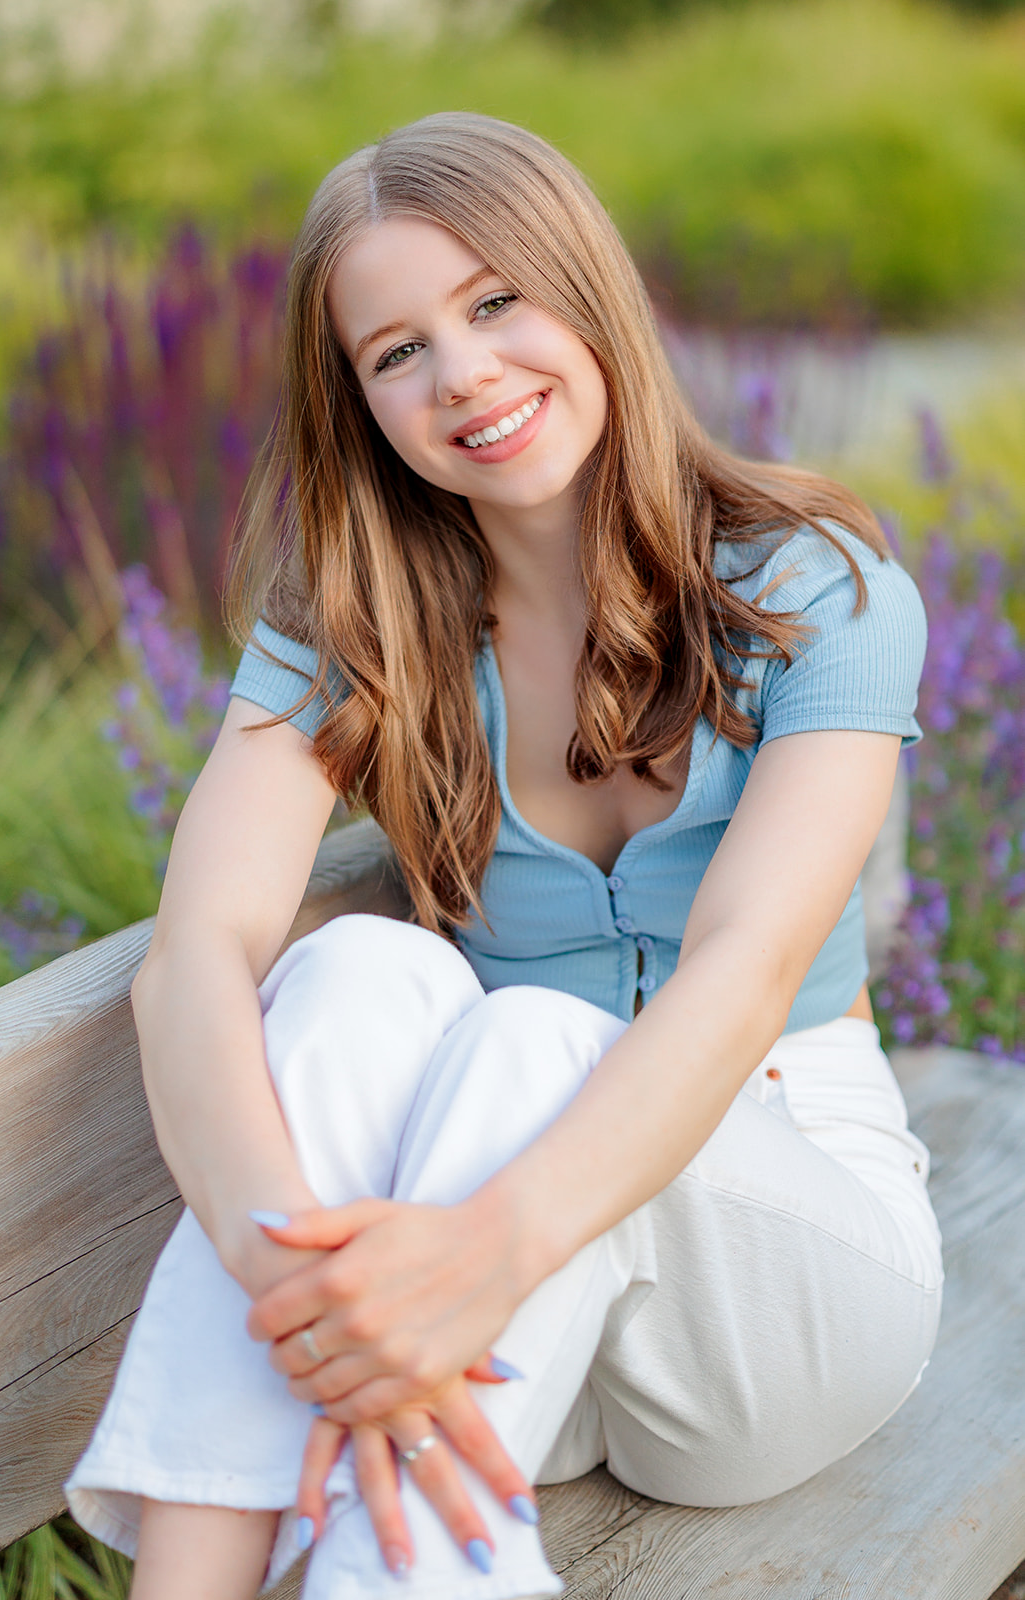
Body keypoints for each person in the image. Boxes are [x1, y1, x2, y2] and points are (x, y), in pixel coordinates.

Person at [65, 112, 943, 1600]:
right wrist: (292, 1286)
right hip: (488, 1323)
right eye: (395, 351)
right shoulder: (356, 627)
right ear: (359, 401)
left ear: (587, 292)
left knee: (543, 1033)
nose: (463, 372)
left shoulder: (814, 588)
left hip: (769, 1289)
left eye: (493, 303)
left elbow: (741, 978)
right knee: (352, 972)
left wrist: (487, 1247)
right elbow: (197, 961)